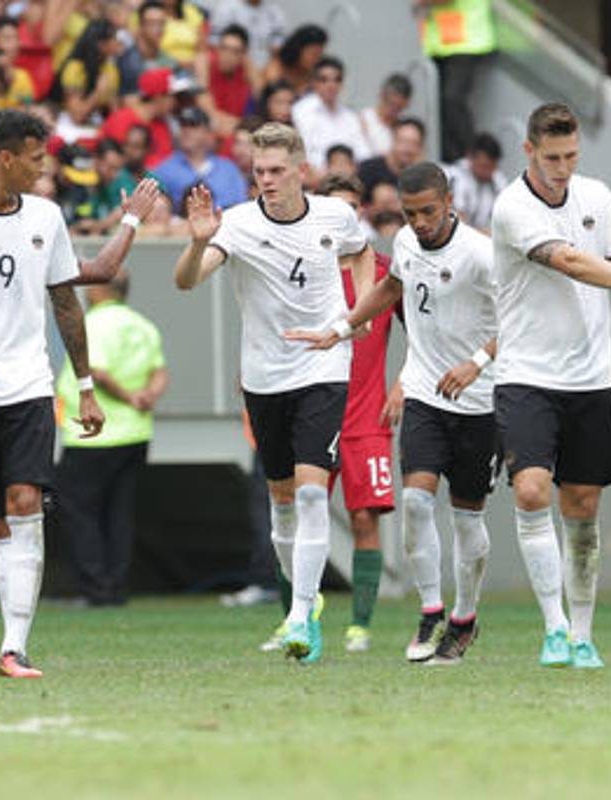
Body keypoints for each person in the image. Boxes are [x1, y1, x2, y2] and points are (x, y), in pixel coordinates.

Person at [0, 109, 161, 679]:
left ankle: (14, 648)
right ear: (6, 158)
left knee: (25, 507)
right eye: (37, 158)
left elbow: (67, 301)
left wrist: (86, 387)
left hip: (27, 389)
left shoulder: (46, 216)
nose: (45, 169)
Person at [490, 103, 611, 669]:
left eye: (571, 156)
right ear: (529, 151)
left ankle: (581, 634)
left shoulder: (597, 196)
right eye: (552, 158)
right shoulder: (511, 206)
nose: (562, 168)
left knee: (582, 505)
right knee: (531, 491)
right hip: (526, 375)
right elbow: (571, 261)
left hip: (591, 379)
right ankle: (553, 628)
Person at [173, 122, 376, 663]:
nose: (266, 179)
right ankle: (300, 605)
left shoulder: (335, 216)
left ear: (300, 171)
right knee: (282, 501)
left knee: (311, 492)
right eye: (259, 170)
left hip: (324, 365)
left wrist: (357, 312)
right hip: (264, 376)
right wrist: (198, 243)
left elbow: (362, 254)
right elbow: (186, 281)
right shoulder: (237, 223)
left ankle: (301, 616)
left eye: (276, 170)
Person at [288, 162, 498, 665]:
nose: (419, 222)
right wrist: (341, 328)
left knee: (467, 518)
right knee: (416, 502)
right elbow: (389, 289)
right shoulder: (405, 242)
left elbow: (518, 315)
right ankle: (431, 610)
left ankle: (464, 617)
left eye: (428, 212)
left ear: (449, 204)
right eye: (410, 213)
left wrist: (476, 362)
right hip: (425, 392)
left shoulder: (480, 254)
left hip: (478, 399)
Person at [264, 173, 395, 655]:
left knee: (364, 520)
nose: (342, 218)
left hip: (366, 417)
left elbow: (423, 328)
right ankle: (294, 619)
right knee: (296, 515)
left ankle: (359, 625)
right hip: (312, 409)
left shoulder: (383, 270)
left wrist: (404, 383)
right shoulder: (300, 264)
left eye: (350, 209)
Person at [56, 270, 168, 607]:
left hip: (94, 435)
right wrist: (147, 396)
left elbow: (97, 372)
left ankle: (96, 588)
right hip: (136, 433)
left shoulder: (93, 324)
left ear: (98, 290)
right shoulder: (142, 324)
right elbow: (160, 372)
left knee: (80, 510)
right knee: (119, 512)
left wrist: (127, 396)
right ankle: (117, 586)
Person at [415, 0, 495, 162]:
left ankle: (473, 158)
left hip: (465, 40)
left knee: (452, 100)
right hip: (443, 42)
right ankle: (452, 160)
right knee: (440, 107)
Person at [154, 106, 246, 212]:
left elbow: (241, 206)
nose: (186, 131)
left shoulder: (228, 169)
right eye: (182, 125)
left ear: (208, 132)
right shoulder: (163, 171)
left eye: (193, 125)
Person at [291, 56, 370, 173]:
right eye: (324, 79)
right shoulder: (300, 111)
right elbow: (302, 154)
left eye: (337, 80)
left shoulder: (351, 116)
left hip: (349, 175)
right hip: (314, 175)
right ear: (314, 82)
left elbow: (364, 154)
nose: (331, 85)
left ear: (342, 83)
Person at [207, 0, 286, 91]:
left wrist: (262, 73)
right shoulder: (226, 8)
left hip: (264, 70)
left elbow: (277, 52)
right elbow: (214, 46)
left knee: (275, 71)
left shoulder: (275, 12)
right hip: (235, 65)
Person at [445, 132, 507, 232]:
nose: (488, 172)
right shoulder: (454, 177)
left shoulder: (498, 179)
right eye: (484, 166)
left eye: (492, 167)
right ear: (470, 157)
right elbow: (458, 221)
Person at [115, 1, 177, 98]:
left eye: (162, 23)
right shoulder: (126, 62)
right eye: (152, 23)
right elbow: (126, 100)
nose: (159, 28)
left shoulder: (169, 60)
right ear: (141, 26)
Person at [358, 117, 424, 197]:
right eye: (403, 141)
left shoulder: (424, 179)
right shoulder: (367, 170)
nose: (408, 149)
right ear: (393, 140)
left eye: (414, 144)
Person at [359, 73, 412, 158]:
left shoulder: (403, 128)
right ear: (382, 95)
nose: (392, 110)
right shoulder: (363, 120)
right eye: (390, 103)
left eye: (398, 107)